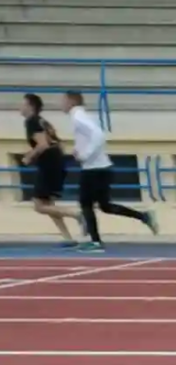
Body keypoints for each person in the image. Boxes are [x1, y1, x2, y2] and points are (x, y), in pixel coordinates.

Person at [63, 91, 158, 253]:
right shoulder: (83, 116)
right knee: (104, 206)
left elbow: (98, 135)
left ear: (71, 101)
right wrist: (79, 150)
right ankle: (144, 216)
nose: (61, 104)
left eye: (63, 101)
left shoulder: (77, 116)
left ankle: (96, 242)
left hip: (93, 169)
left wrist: (84, 155)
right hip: (102, 167)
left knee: (85, 203)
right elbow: (90, 137)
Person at [19, 93, 82, 246]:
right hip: (55, 161)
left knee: (39, 206)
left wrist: (29, 156)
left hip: (49, 163)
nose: (19, 107)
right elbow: (57, 142)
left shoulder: (32, 121)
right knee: (48, 204)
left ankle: (77, 215)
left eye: (23, 104)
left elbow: (43, 145)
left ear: (31, 106)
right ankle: (68, 238)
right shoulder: (43, 121)